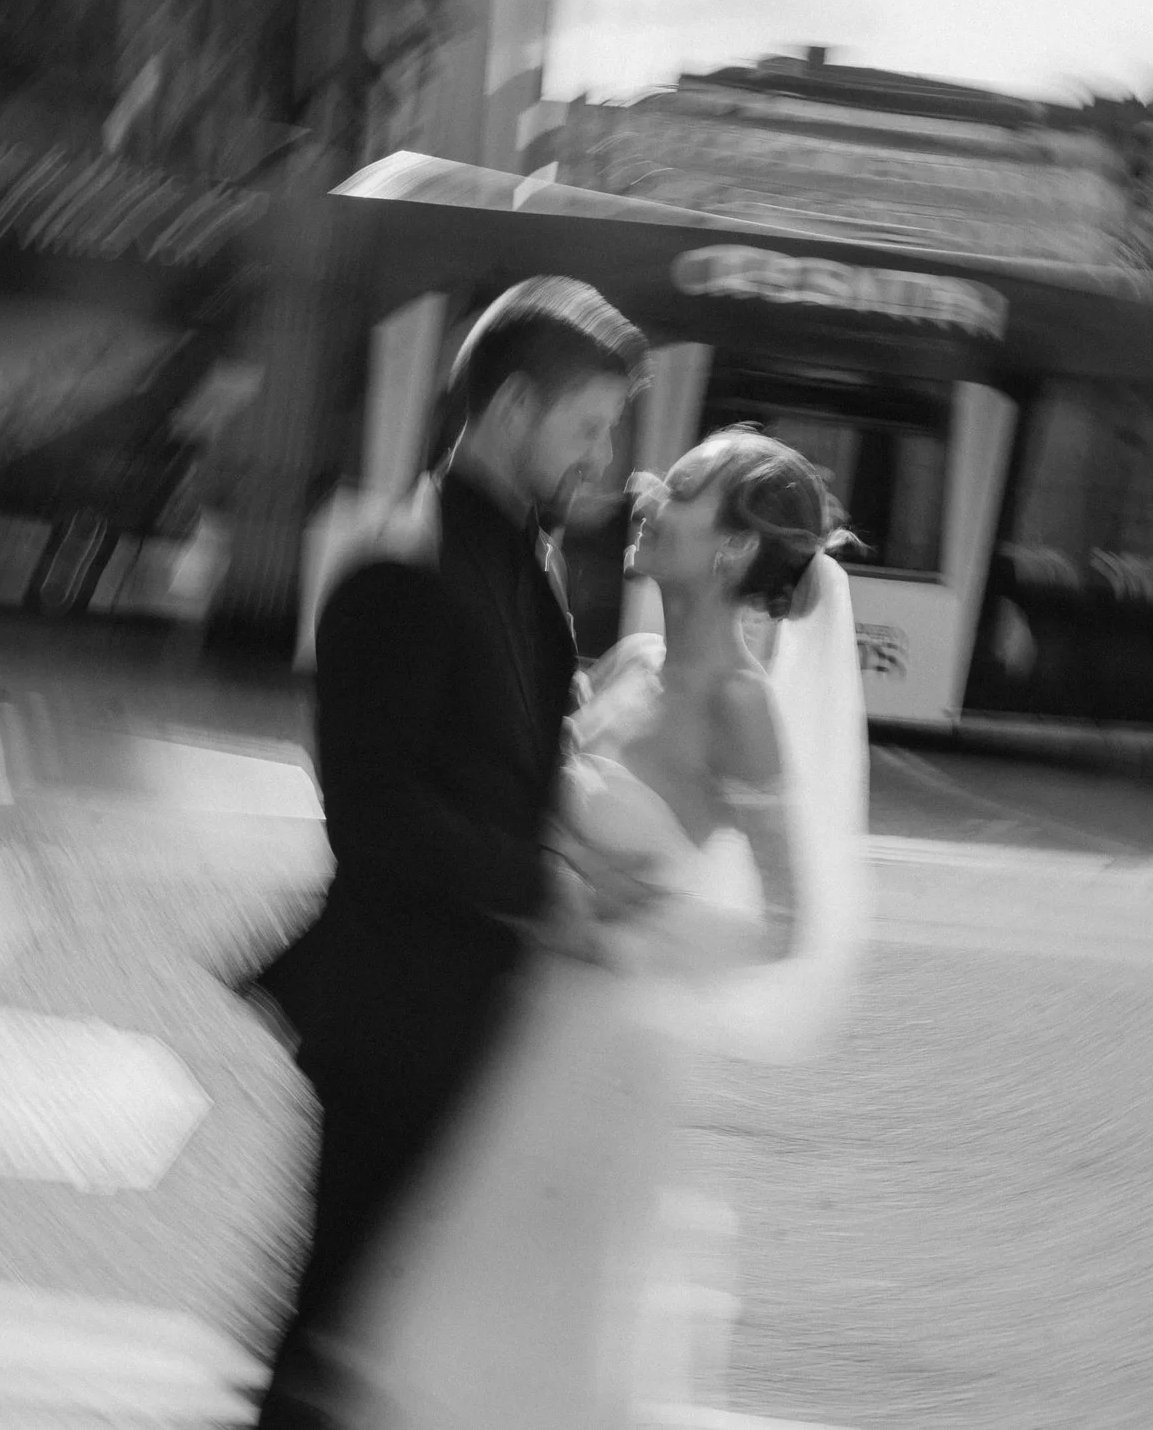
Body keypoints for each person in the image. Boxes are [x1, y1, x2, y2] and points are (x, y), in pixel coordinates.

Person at [322, 426, 873, 1430]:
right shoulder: (629, 660)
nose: (647, 485)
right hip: (512, 1021)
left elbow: (795, 924)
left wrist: (629, 934)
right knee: (440, 1314)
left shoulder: (738, 706)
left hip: (606, 1057)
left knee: (542, 1340)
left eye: (689, 485)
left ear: (732, 550)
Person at [245, 275, 649, 1430]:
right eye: (588, 425)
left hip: (474, 1010)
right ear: (515, 404)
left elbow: (511, 764)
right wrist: (543, 886)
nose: (604, 456)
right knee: (336, 1319)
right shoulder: (402, 563)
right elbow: (374, 818)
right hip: (397, 1013)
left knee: (391, 1324)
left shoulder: (520, 556)